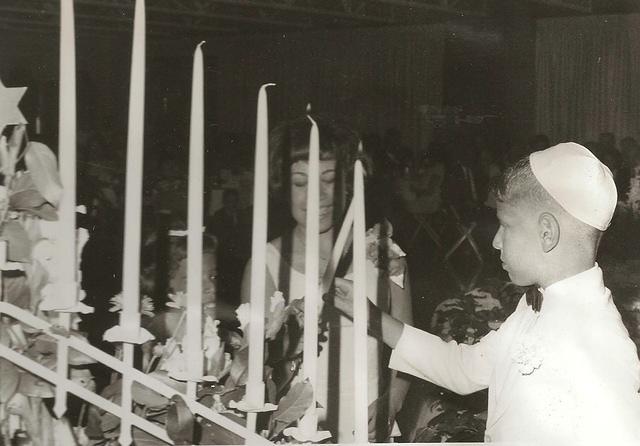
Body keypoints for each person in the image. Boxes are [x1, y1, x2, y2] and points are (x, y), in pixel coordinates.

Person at [331, 142, 640, 444]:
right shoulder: (533, 306)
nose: (495, 241)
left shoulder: (602, 343)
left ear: (547, 232)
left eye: (505, 225)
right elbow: (464, 369)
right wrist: (372, 318)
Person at [239, 115, 413, 443]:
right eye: (301, 182)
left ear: (348, 181)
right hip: (298, 424)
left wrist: (393, 400)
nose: (316, 196)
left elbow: (411, 344)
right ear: (282, 185)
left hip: (371, 422)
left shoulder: (385, 253)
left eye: (329, 179)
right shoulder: (266, 265)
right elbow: (254, 366)